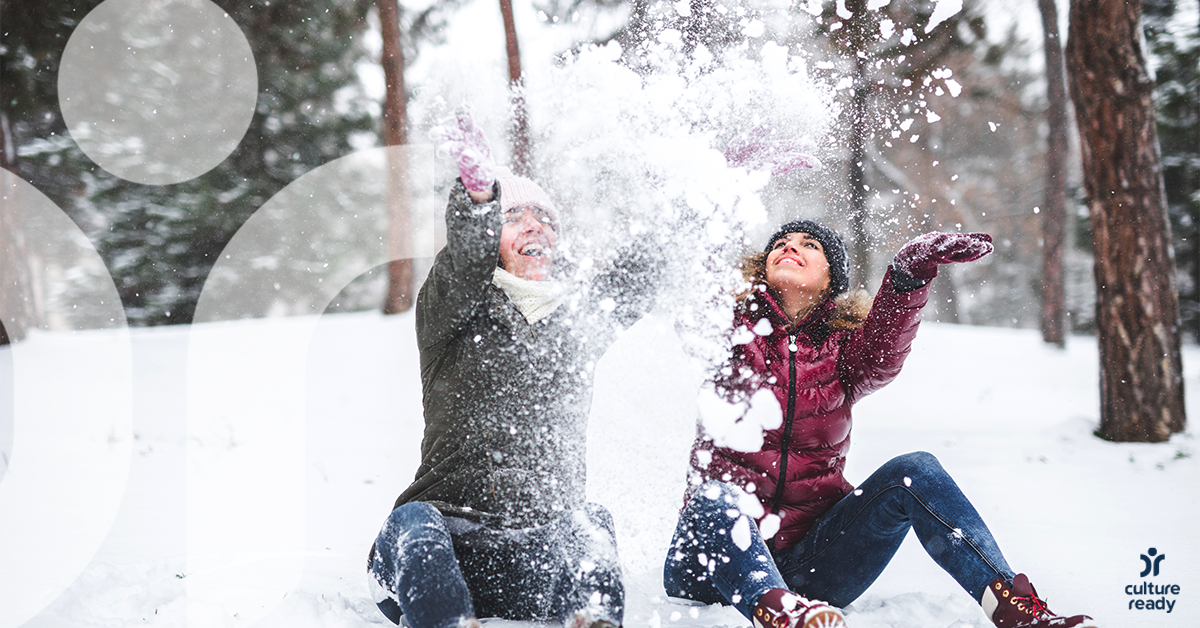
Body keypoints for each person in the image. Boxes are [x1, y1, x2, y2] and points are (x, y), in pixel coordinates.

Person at [662, 220, 1095, 628]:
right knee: (715, 495)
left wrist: (909, 275)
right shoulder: (730, 330)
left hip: (811, 566)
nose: (790, 246)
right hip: (708, 567)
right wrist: (726, 184)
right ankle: (775, 610)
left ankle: (1013, 608)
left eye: (809, 245)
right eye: (780, 243)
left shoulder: (843, 354)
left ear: (832, 282)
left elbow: (884, 351)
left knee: (916, 470)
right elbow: (699, 279)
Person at [368, 112, 656, 628]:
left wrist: (713, 192)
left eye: (546, 220)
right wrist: (480, 200)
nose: (535, 226)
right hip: (440, 545)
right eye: (515, 216)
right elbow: (465, 261)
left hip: (534, 565)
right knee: (414, 522)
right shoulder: (449, 310)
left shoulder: (578, 324)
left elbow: (640, 272)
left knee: (590, 523)